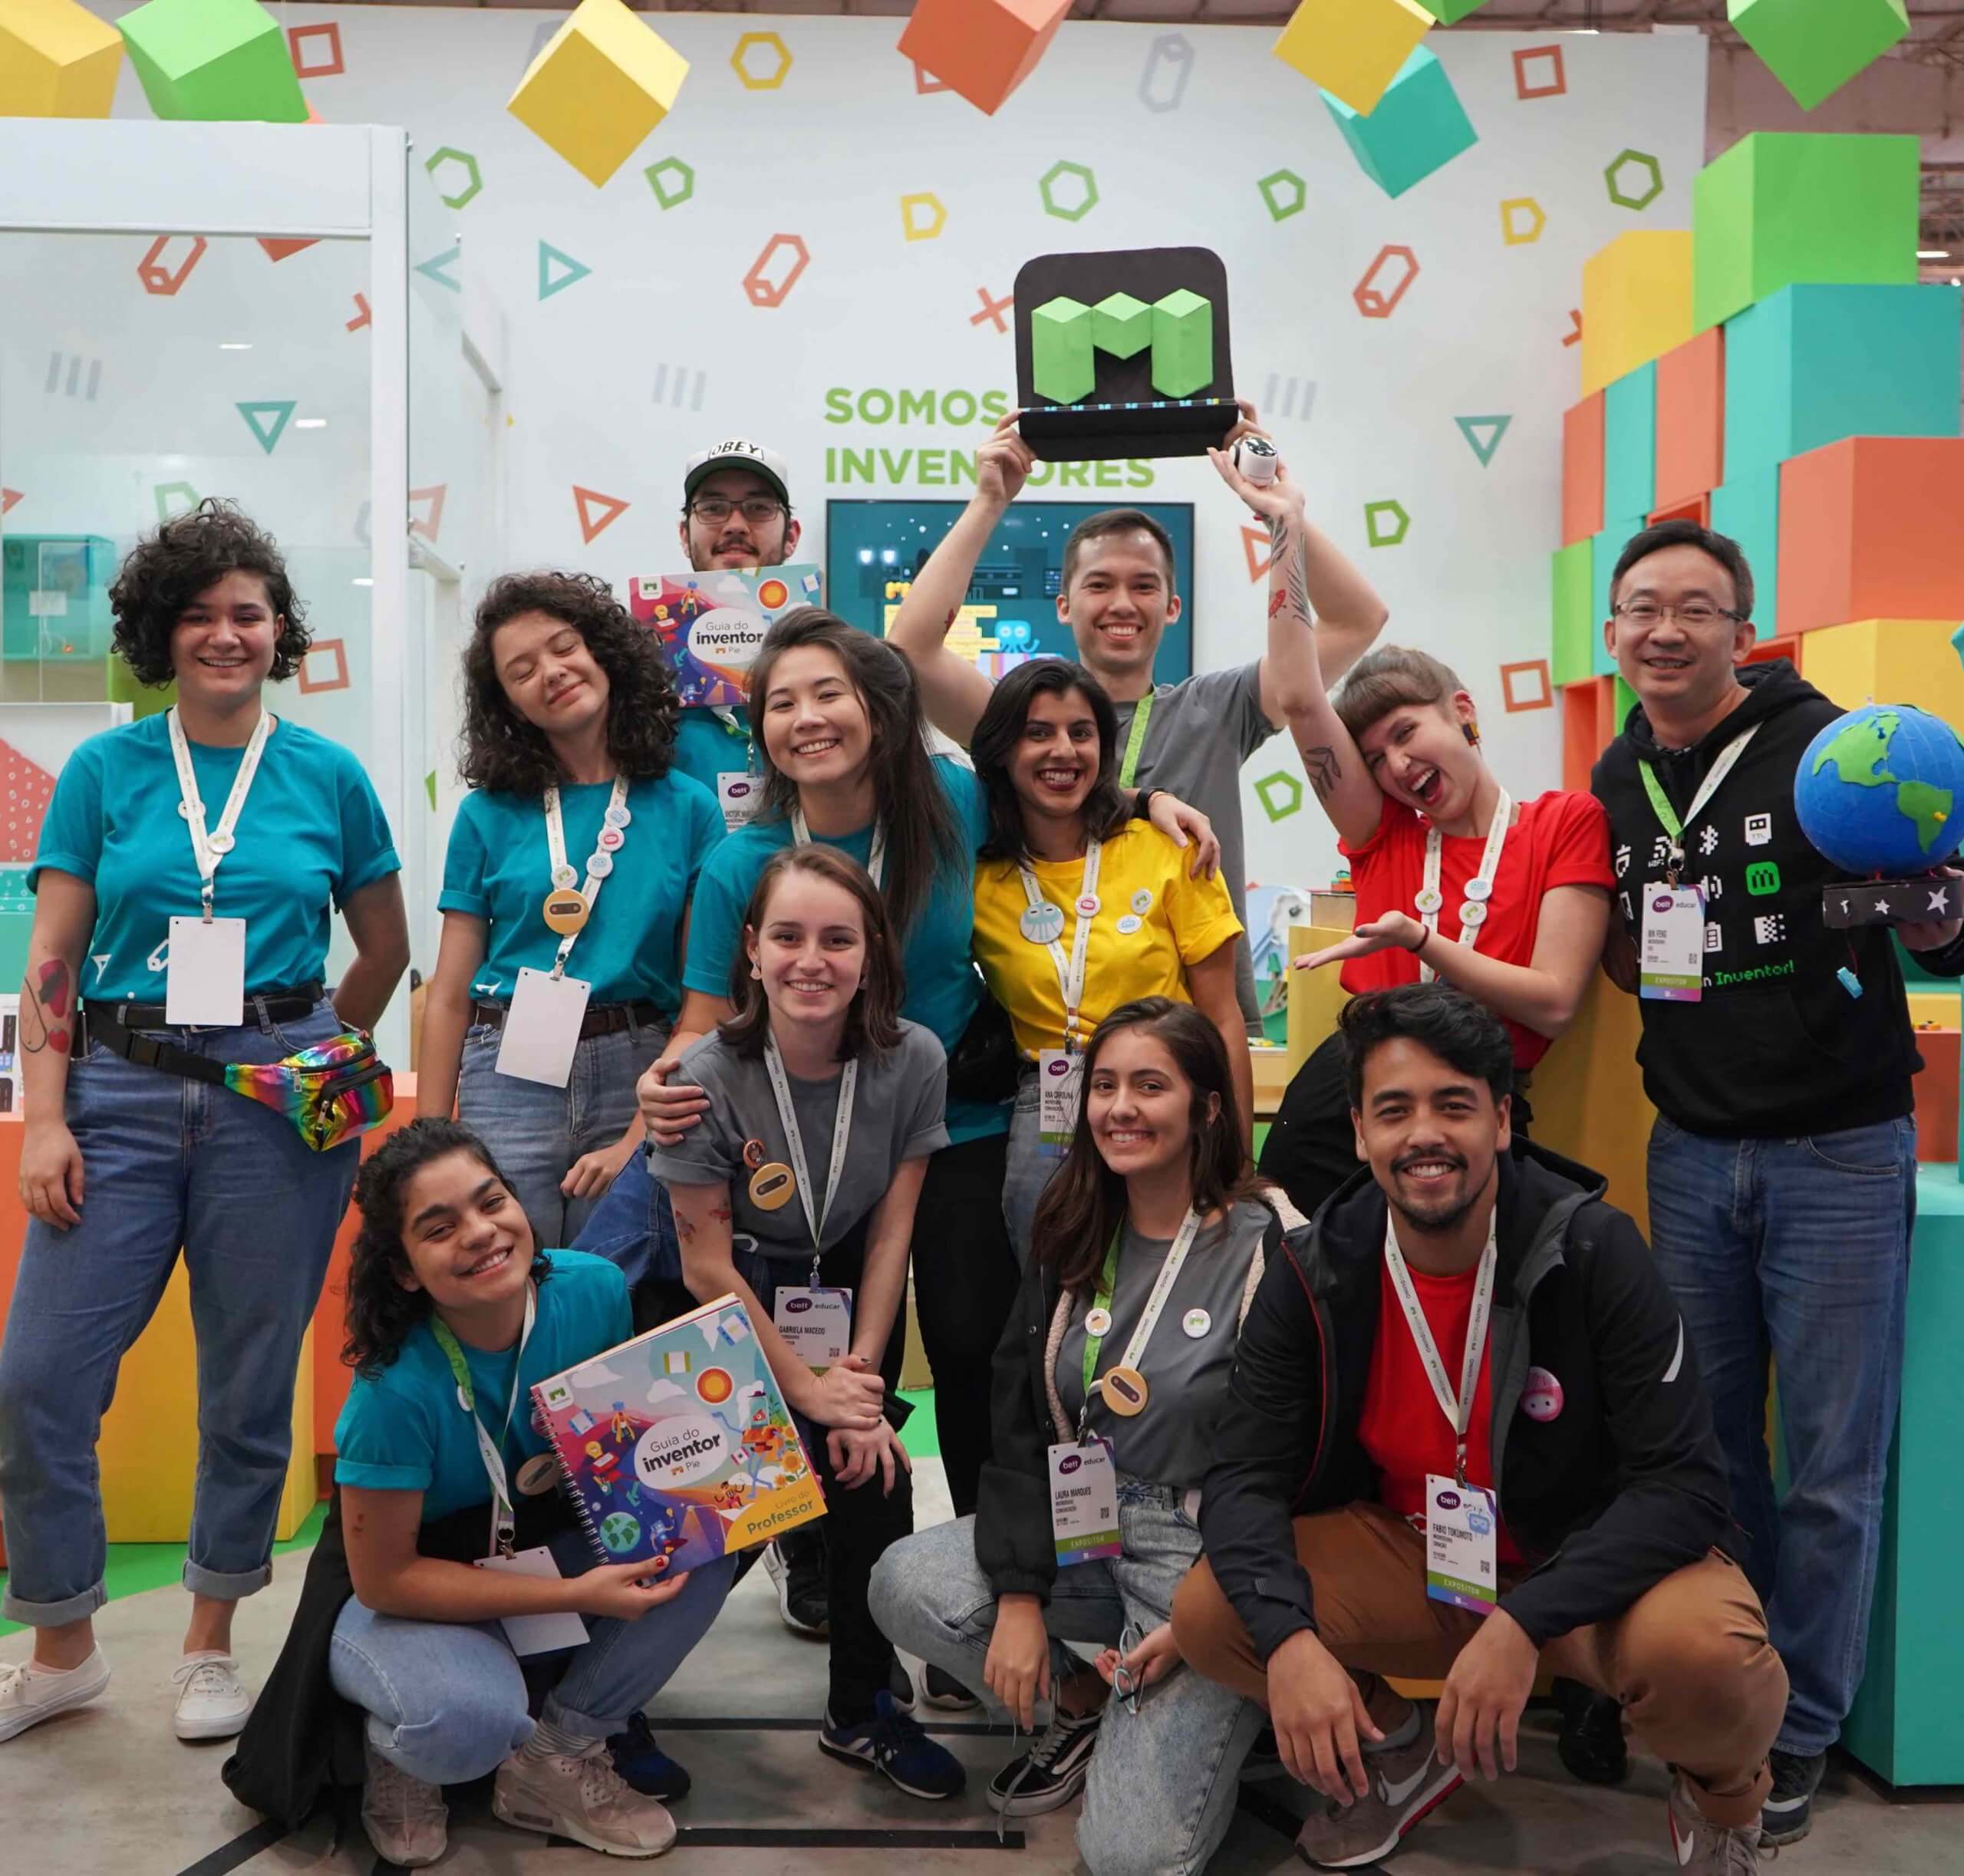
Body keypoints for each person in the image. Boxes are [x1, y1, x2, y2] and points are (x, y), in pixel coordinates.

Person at [586, 608, 1213, 1662]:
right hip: (803, 1153)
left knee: (972, 1349)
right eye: (782, 701)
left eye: (828, 693)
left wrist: (1149, 800)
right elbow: (703, 1017)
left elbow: (1061, 791)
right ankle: (820, 1579)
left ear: (877, 710)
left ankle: (986, 1594)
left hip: (951, 1119)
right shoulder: (743, 860)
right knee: (806, 1360)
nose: (807, 717)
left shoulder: (953, 803)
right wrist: (657, 1089)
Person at [1169, 984, 1788, 1874]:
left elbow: (1684, 1485)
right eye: (1394, 1110)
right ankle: (1397, 1752)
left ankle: (1722, 1804)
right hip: (1413, 1556)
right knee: (1214, 1613)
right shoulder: (1314, 1268)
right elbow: (1243, 1476)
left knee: (1707, 1655)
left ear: (1500, 1121)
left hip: (1582, 1574)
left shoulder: (1593, 1250)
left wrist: (1523, 1621)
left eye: (1453, 1106)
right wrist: (1289, 1642)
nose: (1423, 1134)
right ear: (1359, 1133)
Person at [0, 499, 409, 1747]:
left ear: (280, 631)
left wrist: (318, 1058)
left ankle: (208, 1642)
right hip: (116, 1094)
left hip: (277, 1106)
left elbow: (385, 947)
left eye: (248, 613)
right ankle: (62, 1647)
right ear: (160, 634)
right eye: (198, 615)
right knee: (37, 1379)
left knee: (247, 1385)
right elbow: (52, 958)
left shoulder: (328, 774)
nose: (226, 634)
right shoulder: (106, 773)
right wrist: (44, 1119)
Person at [1592, 518, 1964, 1845]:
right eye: (1643, 608)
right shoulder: (1617, 774)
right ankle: (1733, 1703)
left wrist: (1939, 916)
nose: (1666, 631)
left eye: (1697, 609)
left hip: (1837, 1153)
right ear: (1613, 632)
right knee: (1709, 1450)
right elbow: (1627, 945)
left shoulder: (1832, 748)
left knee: (1831, 1465)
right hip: (1690, 1149)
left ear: (1745, 633)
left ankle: (1800, 1728)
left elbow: (1941, 924)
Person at [222, 1118, 733, 1866]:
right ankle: (397, 1749)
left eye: (491, 1202)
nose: (481, 1232)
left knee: (704, 1537)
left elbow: (622, 1452)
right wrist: (575, 1595)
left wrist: (721, 1473)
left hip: (532, 1539)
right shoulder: (391, 1391)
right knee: (464, 1720)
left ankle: (556, 1756)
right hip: (404, 1588)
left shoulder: (593, 1290)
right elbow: (385, 1579)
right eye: (439, 1228)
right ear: (405, 1270)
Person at [871, 998, 1276, 1872]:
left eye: (1150, 1086)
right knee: (906, 1583)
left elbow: (1291, 1458)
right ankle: (1090, 1699)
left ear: (1208, 1106)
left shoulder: (1268, 1244)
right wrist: (1020, 1596)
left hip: (1204, 1551)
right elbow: (1020, 1419)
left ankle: (1235, 1701)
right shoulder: (1073, 1225)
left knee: (1130, 1858)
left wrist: (1209, 1617)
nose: (1121, 1108)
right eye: (1105, 1086)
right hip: (1085, 1522)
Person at [887, 406, 1389, 1033]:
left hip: (1206, 1027)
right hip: (1054, 1038)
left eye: (1144, 586)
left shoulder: (1217, 708)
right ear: (1064, 604)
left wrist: (1280, 514)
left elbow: (1358, 620)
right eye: (1099, 585)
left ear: (1173, 606)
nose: (1122, 603)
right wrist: (989, 502)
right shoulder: (1019, 721)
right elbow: (911, 650)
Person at [643, 843, 967, 1799]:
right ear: (751, 949)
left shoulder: (914, 1059)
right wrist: (808, 1392)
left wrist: (856, 1386)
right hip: (723, 1299)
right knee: (705, 1513)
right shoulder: (703, 1074)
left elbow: (891, 1237)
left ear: (872, 954)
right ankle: (604, 1709)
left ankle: (862, 1709)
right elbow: (704, 1265)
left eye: (837, 939)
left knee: (874, 1479)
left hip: (845, 1291)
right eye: (787, 937)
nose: (810, 961)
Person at [1253, 473, 1613, 1231]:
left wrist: (1419, 941)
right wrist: (1285, 530)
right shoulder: (1384, 831)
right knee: (1321, 1283)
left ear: (1463, 713)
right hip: (1347, 1102)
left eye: (1406, 732)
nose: (1396, 765)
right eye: (1375, 757)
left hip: (1474, 1104)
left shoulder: (1562, 823)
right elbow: (1298, 698)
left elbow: (1553, 999)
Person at [417, 571, 723, 1249]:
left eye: (564, 648)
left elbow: (702, 1006)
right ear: (509, 704)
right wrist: (428, 1146)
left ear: (603, 653)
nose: (551, 673)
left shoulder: (690, 807)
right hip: (508, 1069)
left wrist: (637, 1136)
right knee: (504, 1273)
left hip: (640, 1068)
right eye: (521, 671)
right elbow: (448, 995)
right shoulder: (485, 814)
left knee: (618, 1281)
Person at [968, 658, 1247, 1265]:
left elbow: (1223, 1016)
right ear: (1004, 751)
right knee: (1052, 1284)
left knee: (1176, 1273)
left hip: (1168, 1089)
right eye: (1038, 733)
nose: (1063, 751)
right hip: (1048, 1099)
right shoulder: (978, 876)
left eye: (1081, 732)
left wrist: (1236, 1158)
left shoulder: (1169, 850)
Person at [666, 437, 800, 806]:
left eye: (758, 508)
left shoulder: (836, 658)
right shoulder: (640, 669)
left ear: (791, 536)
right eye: (713, 508)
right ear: (684, 535)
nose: (735, 525)